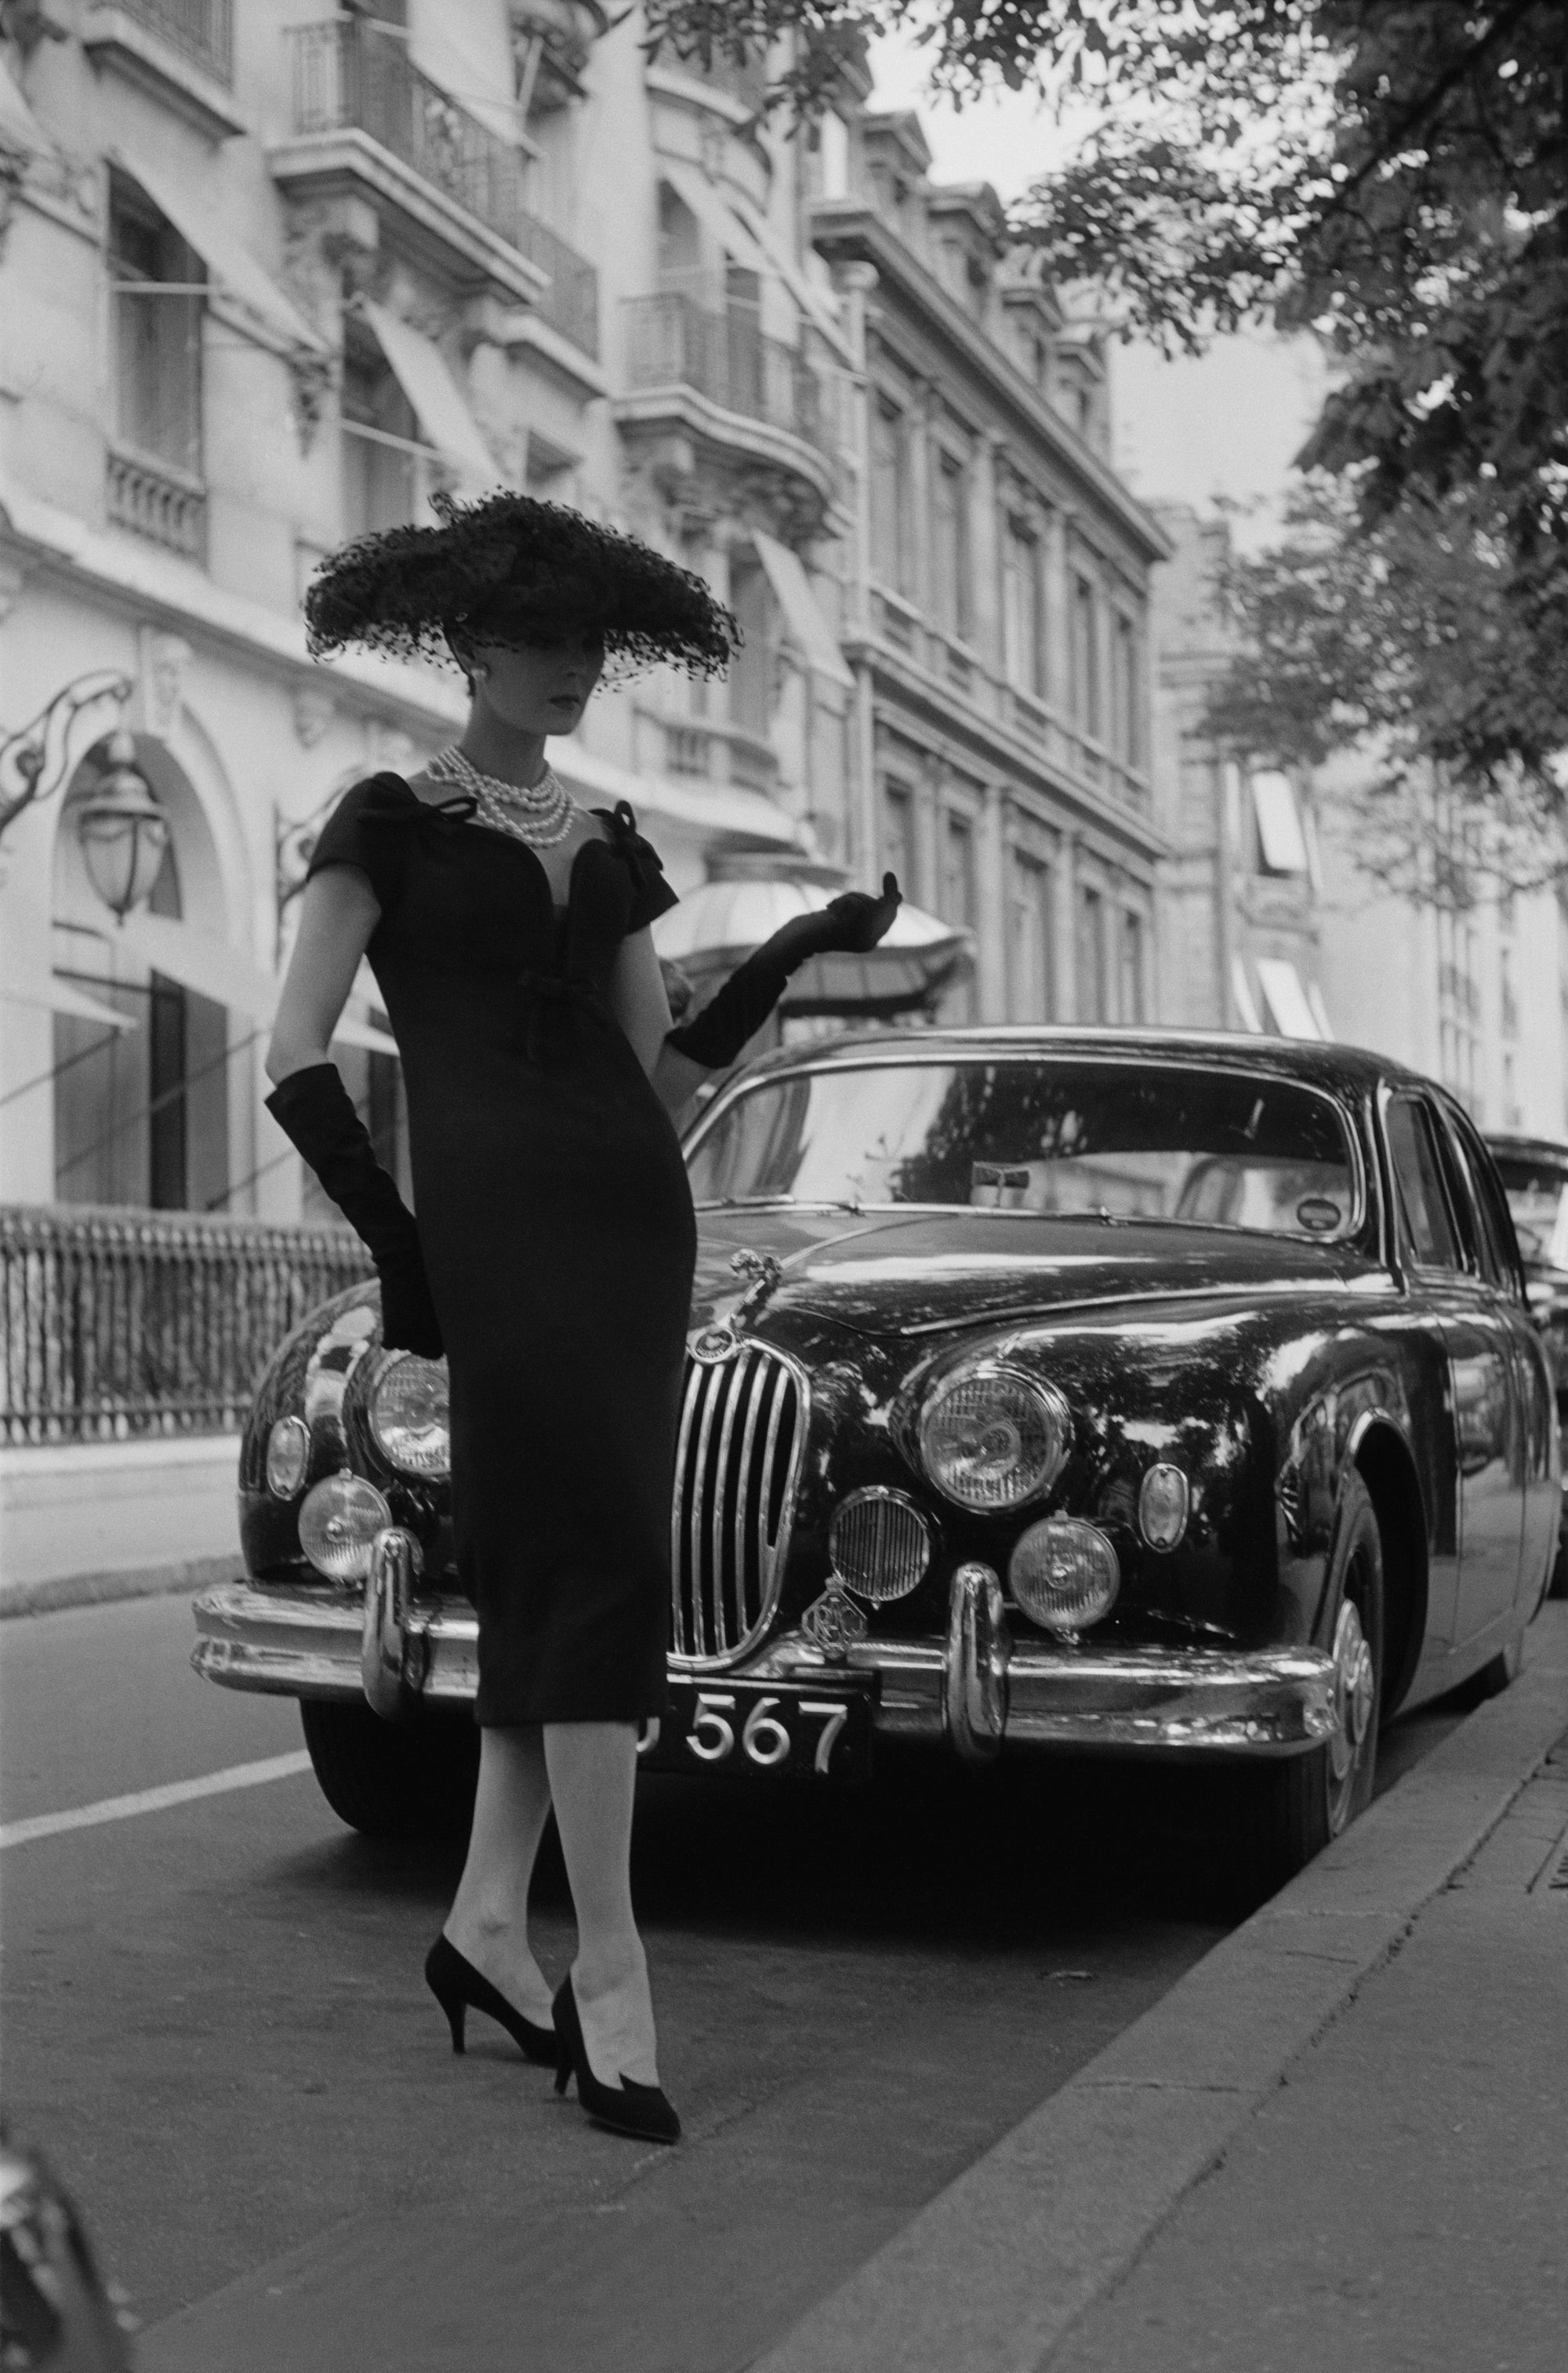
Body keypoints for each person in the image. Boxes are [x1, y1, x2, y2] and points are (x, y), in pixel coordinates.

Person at [264, 490, 898, 2144]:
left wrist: (801, 956)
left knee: (572, 1569)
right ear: (469, 643)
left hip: (626, 1220)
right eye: (541, 642)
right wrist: (399, 1249)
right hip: (494, 1233)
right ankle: (608, 1965)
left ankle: (490, 1923)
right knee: (597, 1570)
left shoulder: (607, 840)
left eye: (590, 647)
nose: (571, 670)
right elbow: (292, 1052)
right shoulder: (386, 823)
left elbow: (661, 1070)